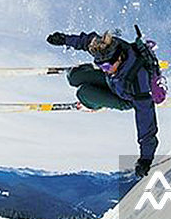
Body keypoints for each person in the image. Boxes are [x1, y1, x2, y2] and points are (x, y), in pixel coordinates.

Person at [46, 29, 158, 176]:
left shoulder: (139, 82)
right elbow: (87, 41)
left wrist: (146, 158)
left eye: (106, 67)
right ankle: (84, 71)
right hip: (114, 81)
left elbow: (146, 120)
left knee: (83, 92)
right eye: (100, 66)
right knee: (73, 76)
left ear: (119, 58)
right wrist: (64, 39)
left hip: (124, 96)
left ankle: (95, 103)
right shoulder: (111, 47)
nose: (104, 69)